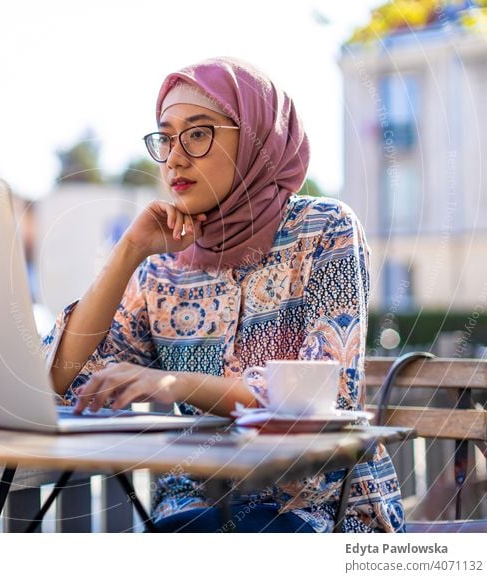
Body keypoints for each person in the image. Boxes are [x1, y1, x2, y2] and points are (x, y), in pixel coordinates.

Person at [41, 57, 405, 533]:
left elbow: (328, 396)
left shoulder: (325, 229)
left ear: (257, 138)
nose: (174, 157)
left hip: (320, 511)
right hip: (194, 513)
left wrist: (174, 384)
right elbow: (63, 379)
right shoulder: (161, 268)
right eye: (165, 138)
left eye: (197, 133)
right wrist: (129, 251)